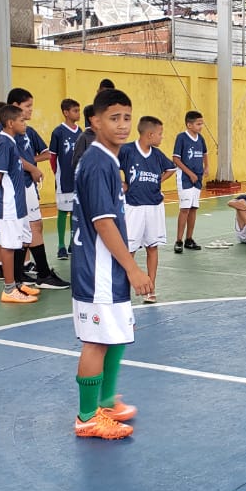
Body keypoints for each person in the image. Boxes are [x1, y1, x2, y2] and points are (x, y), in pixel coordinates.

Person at [71, 88, 154, 439]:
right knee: (97, 341)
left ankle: (105, 401)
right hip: (97, 269)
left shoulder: (107, 159)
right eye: (113, 118)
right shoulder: (97, 162)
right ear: (96, 121)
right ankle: (88, 416)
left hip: (108, 267)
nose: (122, 125)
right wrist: (133, 268)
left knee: (117, 335)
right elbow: (103, 223)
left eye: (126, 118)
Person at [7, 88, 68, 290]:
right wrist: (31, 167)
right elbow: (11, 158)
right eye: (27, 107)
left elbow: (45, 153)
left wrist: (31, 164)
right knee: (28, 228)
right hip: (18, 186)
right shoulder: (6, 134)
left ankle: (23, 275)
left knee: (33, 227)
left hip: (28, 185)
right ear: (15, 107)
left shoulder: (27, 132)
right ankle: (39, 274)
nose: (31, 111)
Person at [0, 105, 40, 303]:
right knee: (8, 246)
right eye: (22, 121)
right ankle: (9, 289)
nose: (25, 124)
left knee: (23, 240)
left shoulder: (11, 142)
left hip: (18, 203)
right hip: (8, 204)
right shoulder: (3, 144)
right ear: (10, 123)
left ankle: (16, 282)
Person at [119, 116, 176, 303]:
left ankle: (151, 289)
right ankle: (122, 290)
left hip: (154, 206)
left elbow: (171, 169)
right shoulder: (127, 150)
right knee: (129, 249)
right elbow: (110, 164)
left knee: (152, 246)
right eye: (160, 134)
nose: (162, 137)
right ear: (150, 134)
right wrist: (121, 182)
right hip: (134, 207)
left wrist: (158, 180)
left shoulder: (157, 154)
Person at [49, 98, 83, 259]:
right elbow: (52, 157)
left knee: (75, 210)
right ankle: (61, 246)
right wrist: (58, 174)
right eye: (75, 110)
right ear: (66, 112)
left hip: (77, 178)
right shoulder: (58, 132)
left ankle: (71, 243)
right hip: (64, 179)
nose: (78, 113)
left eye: (79, 110)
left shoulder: (80, 132)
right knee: (63, 210)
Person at [173, 110, 209, 253]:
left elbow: (205, 153)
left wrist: (206, 167)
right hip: (185, 178)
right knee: (185, 209)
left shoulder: (200, 138)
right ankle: (178, 240)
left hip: (197, 178)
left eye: (202, 124)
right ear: (189, 124)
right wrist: (190, 173)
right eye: (198, 124)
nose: (201, 126)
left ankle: (189, 239)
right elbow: (176, 159)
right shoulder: (181, 138)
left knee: (193, 208)